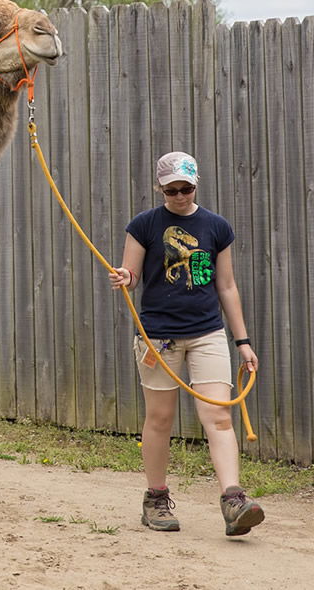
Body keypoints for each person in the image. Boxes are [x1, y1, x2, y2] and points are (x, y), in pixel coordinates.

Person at [108, 151, 265, 537]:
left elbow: (226, 286)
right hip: (158, 336)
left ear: (196, 184)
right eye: (172, 189)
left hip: (207, 333)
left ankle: (233, 500)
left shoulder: (216, 227)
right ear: (160, 187)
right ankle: (156, 499)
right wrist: (124, 276)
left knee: (219, 416)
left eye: (186, 188)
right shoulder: (143, 225)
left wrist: (242, 341)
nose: (179, 195)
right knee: (160, 419)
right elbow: (131, 276)